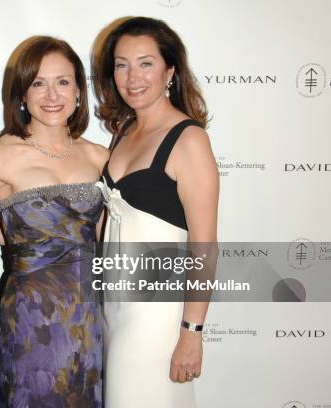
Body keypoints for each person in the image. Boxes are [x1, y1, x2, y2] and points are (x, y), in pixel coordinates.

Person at [92, 17, 219, 407]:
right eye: (121, 64)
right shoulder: (125, 132)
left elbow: (205, 246)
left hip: (156, 318)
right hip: (113, 308)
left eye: (146, 63)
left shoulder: (189, 139)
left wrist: (191, 333)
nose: (133, 77)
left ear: (170, 70)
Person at [0, 36, 108, 408]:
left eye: (63, 82)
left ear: (80, 92)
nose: (52, 95)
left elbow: (106, 235)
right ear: (22, 92)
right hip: (30, 318)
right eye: (38, 83)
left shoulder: (99, 157)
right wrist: (30, 247)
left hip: (88, 315)